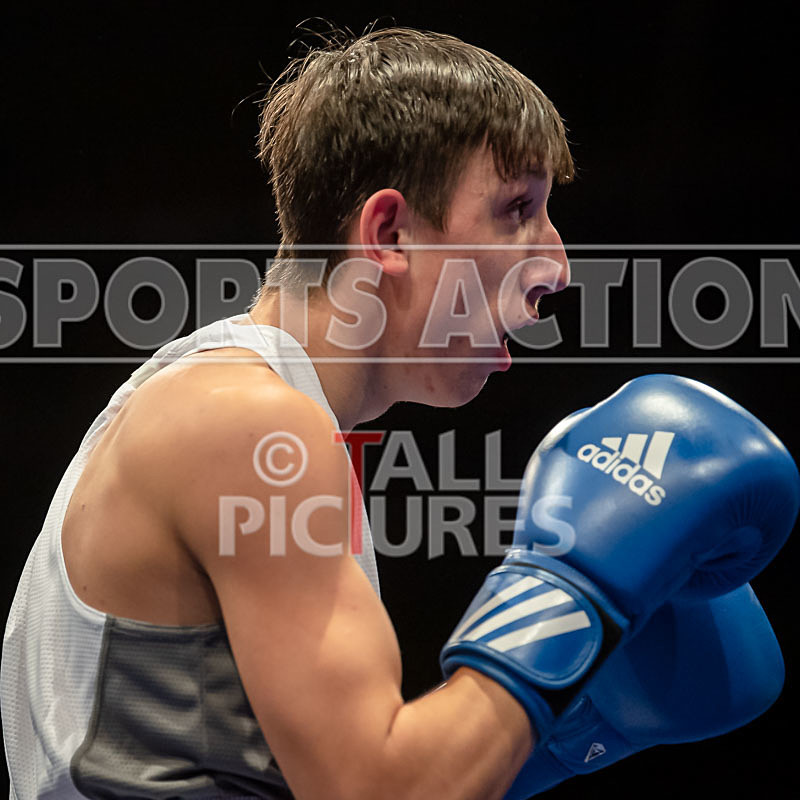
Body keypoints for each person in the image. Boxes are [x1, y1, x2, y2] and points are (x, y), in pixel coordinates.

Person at [1, 25, 794, 800]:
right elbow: (377, 789)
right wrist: (569, 590)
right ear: (389, 232)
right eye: (517, 208)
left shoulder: (245, 413)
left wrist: (555, 745)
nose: (555, 264)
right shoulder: (244, 424)